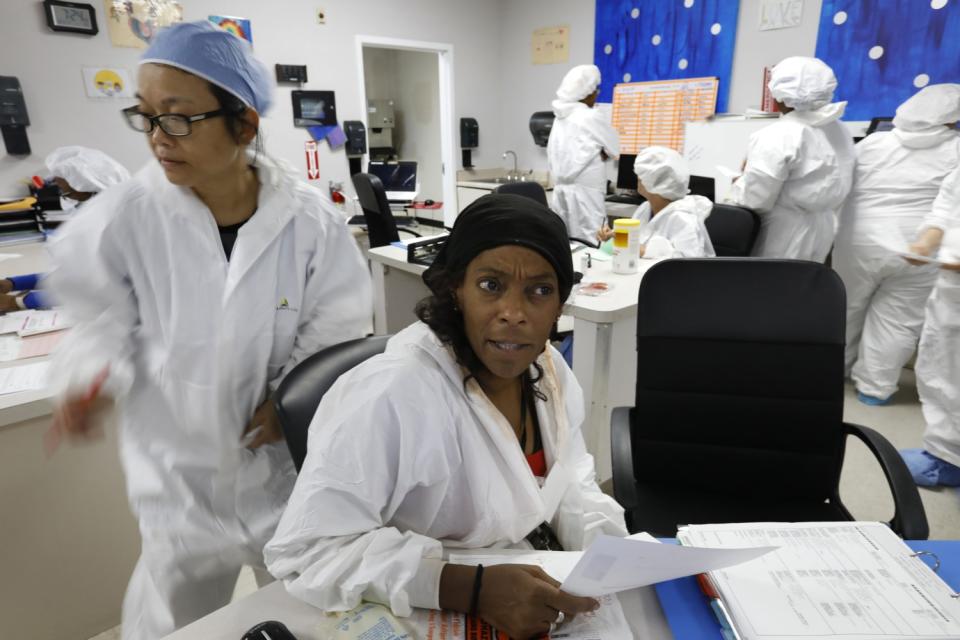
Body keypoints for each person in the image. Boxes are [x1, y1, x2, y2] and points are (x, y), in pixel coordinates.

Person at [46, 21, 372, 640]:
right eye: (145, 117)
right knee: (172, 625)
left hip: (279, 475)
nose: (157, 139)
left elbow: (336, 329)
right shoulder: (126, 218)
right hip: (178, 479)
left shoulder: (308, 224)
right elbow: (96, 319)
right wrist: (87, 378)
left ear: (243, 124)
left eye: (177, 118)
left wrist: (287, 401)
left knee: (306, 613)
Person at [265, 193, 627, 640]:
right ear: (456, 289)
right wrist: (469, 589)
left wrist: (608, 557)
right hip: (419, 603)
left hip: (521, 576)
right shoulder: (394, 393)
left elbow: (572, 479)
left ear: (560, 304)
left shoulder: (550, 372)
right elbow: (307, 550)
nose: (513, 314)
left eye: (539, 290)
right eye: (491, 285)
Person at [833, 84, 960, 405]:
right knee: (898, 319)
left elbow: (841, 184)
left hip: (860, 240)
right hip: (920, 247)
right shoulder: (955, 149)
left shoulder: (873, 143)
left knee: (846, 308)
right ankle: (873, 389)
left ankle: (833, 373)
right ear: (950, 121)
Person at [728, 56, 855, 261]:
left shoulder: (778, 134)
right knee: (802, 286)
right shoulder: (839, 130)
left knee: (770, 287)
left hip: (782, 232)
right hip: (823, 228)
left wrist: (739, 182)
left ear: (778, 96)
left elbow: (756, 200)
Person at [0, 147, 131, 314]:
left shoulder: (115, 226)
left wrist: (18, 302)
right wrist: (14, 283)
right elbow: (74, 274)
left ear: (89, 186)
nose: (65, 199)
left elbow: (98, 290)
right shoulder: (101, 215)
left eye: (67, 193)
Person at [900, 165, 960, 487]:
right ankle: (947, 457)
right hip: (952, 286)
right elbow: (947, 208)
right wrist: (926, 244)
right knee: (942, 371)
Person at [599, 146, 715, 258]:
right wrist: (614, 235)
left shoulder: (683, 219)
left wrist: (645, 251)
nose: (638, 178)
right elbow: (637, 239)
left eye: (642, 175)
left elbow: (688, 264)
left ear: (655, 182)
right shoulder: (646, 207)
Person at [547, 64, 620, 243]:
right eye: (596, 90)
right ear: (587, 92)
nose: (596, 95)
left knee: (564, 241)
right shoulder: (590, 116)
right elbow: (615, 149)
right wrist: (602, 152)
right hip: (587, 191)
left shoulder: (560, 117)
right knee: (594, 240)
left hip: (561, 190)